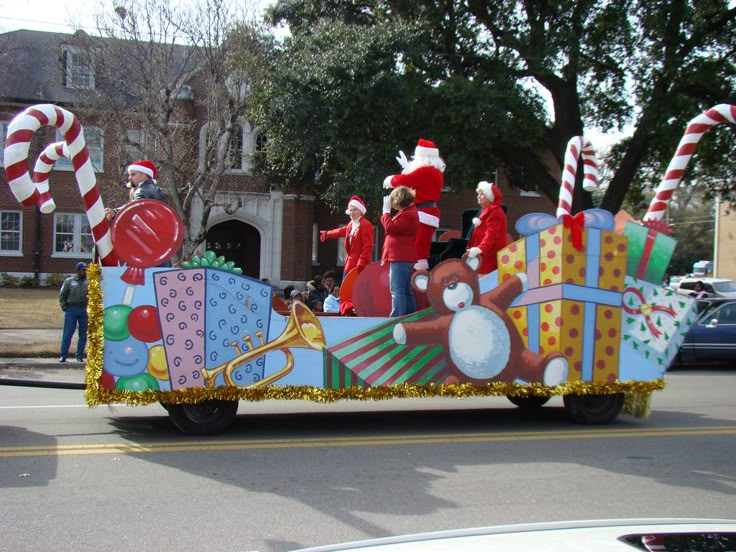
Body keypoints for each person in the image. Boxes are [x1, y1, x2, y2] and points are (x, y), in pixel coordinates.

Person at [383, 139, 445, 270]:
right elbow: (415, 182)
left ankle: (418, 280)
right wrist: (407, 169)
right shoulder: (436, 173)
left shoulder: (425, 171)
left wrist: (390, 180)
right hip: (428, 212)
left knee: (418, 250)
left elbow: (405, 180)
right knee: (420, 248)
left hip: (423, 213)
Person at [381, 186, 419, 317]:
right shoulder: (407, 212)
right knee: (406, 290)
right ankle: (410, 316)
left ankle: (396, 318)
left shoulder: (408, 214)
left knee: (397, 290)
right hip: (404, 257)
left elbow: (390, 228)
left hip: (400, 257)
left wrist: (386, 212)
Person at [320, 196, 375, 280]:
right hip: (350, 264)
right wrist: (327, 234)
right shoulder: (351, 224)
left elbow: (367, 246)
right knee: (346, 290)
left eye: (354, 210)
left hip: (359, 265)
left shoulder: (366, 224)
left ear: (361, 211)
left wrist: (361, 262)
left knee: (356, 290)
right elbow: (341, 231)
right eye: (350, 210)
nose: (352, 212)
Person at [466, 181, 508, 275]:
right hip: (482, 258)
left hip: (488, 259)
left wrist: (481, 248)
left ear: (489, 197)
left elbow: (491, 234)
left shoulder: (495, 212)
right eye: (478, 194)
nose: (478, 196)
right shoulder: (487, 210)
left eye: (482, 194)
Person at [58, 262, 89, 363]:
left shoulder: (89, 282)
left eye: (86, 270)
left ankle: (79, 355)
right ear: (78, 270)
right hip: (71, 309)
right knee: (68, 333)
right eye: (83, 270)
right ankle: (63, 355)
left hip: (84, 309)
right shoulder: (69, 281)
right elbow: (62, 295)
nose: (85, 272)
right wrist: (64, 307)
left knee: (83, 334)